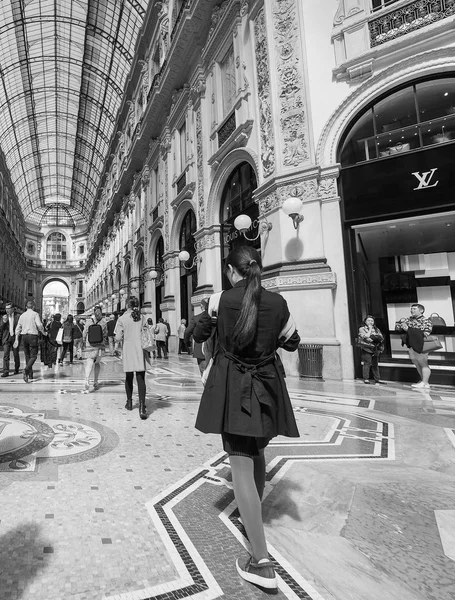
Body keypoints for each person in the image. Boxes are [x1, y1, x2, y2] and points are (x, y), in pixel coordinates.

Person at [193, 246, 300, 590]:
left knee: (239, 462)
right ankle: (250, 511)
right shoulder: (279, 303)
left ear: (230, 270)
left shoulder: (218, 300)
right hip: (267, 388)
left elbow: (198, 335)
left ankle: (261, 562)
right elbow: (293, 342)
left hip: (233, 387)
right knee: (255, 453)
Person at [114, 297, 148, 420]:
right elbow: (146, 333)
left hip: (128, 349)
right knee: (140, 378)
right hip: (140, 349)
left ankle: (129, 403)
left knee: (129, 377)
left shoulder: (122, 319)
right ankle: (142, 407)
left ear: (127, 305)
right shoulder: (141, 317)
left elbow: (117, 337)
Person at [395, 303, 433, 389]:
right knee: (416, 363)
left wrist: (408, 329)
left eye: (414, 309)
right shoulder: (409, 319)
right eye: (411, 309)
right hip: (411, 345)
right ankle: (423, 380)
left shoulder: (426, 321)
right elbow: (403, 328)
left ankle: (425, 382)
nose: (412, 310)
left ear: (421, 310)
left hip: (420, 345)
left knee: (423, 363)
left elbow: (425, 333)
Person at [14, 300, 47, 382]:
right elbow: (39, 325)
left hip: (24, 336)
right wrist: (44, 333)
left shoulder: (22, 315)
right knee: (34, 356)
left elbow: (18, 328)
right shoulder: (35, 314)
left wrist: (16, 338)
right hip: (32, 336)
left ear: (26, 307)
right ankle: (26, 370)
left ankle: (30, 375)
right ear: (33, 307)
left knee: (27, 356)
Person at [82, 305, 108, 391]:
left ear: (93, 312)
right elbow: (105, 334)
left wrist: (83, 341)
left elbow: (84, 332)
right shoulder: (104, 322)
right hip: (100, 345)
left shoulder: (89, 321)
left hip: (90, 344)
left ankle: (86, 379)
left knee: (89, 362)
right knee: (97, 363)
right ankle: (96, 381)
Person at [357, 315, 385, 384]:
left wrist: (373, 338)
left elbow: (381, 337)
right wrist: (369, 330)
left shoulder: (376, 329)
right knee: (367, 363)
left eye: (372, 321)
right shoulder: (362, 329)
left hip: (375, 348)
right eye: (369, 320)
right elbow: (366, 337)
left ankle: (377, 379)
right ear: (365, 321)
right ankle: (366, 378)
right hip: (367, 348)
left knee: (375, 364)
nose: (370, 322)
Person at [184, 298, 208, 374]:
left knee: (203, 371)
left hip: (201, 348)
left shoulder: (196, 318)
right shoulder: (217, 316)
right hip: (216, 349)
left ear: (201, 306)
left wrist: (187, 342)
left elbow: (187, 332)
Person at [1, 302, 21, 377]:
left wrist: (18, 338)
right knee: (6, 355)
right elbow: (1, 328)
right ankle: (6, 371)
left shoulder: (18, 316)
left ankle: (16, 368)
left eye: (9, 308)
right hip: (6, 338)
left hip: (15, 338)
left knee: (16, 354)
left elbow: (20, 327)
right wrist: (4, 322)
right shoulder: (3, 317)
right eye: (6, 308)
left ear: (13, 309)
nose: (7, 310)